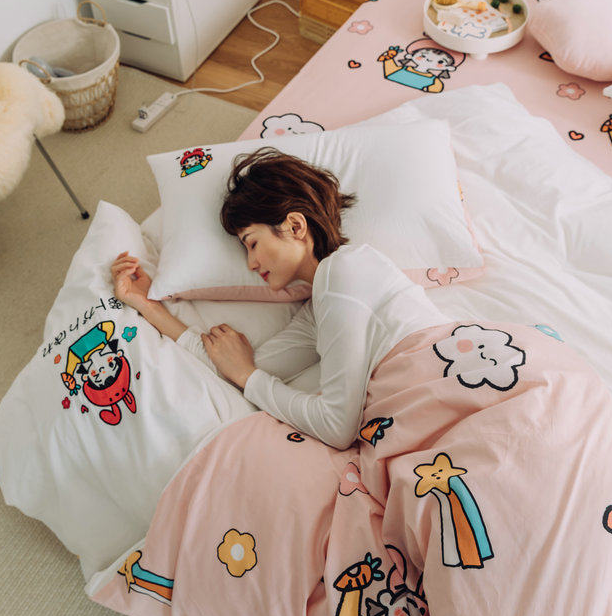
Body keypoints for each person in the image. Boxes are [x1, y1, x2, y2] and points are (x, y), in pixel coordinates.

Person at [110, 147, 451, 450]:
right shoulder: (321, 304)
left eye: (252, 243)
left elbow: (336, 426)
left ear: (295, 226)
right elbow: (232, 366)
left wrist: (249, 377)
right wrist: (147, 305)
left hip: (443, 380)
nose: (250, 263)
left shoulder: (344, 270)